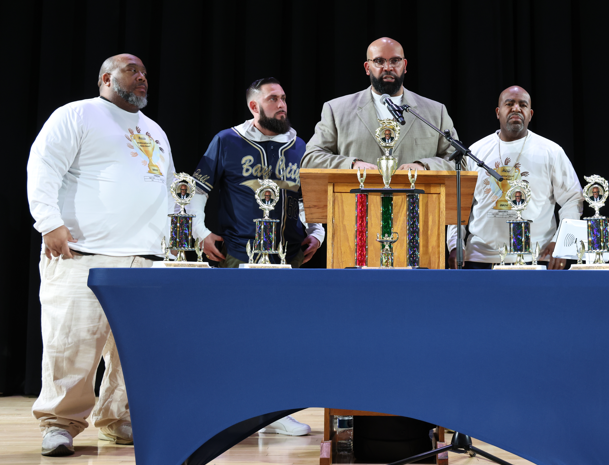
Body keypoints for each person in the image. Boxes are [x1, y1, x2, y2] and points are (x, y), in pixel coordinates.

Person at [27, 54, 177, 457]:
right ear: (107, 78)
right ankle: (60, 424)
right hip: (84, 251)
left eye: (146, 72)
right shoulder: (77, 115)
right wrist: (48, 222)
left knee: (133, 349)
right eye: (134, 71)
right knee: (71, 342)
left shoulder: (155, 130)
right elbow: (43, 167)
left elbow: (169, 189)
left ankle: (117, 420)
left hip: (145, 255)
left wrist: (190, 234)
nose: (143, 77)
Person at [189, 77, 323, 437]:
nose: (282, 104)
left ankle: (274, 412)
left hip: (290, 258)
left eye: (283, 98)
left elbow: (311, 200)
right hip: (239, 256)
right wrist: (200, 234)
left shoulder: (301, 145)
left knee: (284, 338)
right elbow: (193, 191)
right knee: (239, 336)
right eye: (273, 99)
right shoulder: (227, 140)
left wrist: (318, 232)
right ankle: (234, 411)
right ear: (254, 107)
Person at [446, 86, 581, 269]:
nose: (516, 108)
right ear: (498, 112)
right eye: (509, 104)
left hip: (536, 257)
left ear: (530, 114)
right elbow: (459, 204)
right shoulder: (476, 151)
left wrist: (561, 242)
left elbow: (573, 198)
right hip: (480, 258)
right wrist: (455, 245)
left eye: (522, 105)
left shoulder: (551, 151)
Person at [302, 38, 459, 171]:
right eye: (379, 61)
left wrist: (424, 166)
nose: (388, 68)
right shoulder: (337, 110)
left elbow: (459, 161)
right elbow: (311, 158)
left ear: (404, 65)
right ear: (367, 68)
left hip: (416, 205)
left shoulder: (435, 111)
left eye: (395, 61)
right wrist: (351, 164)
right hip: (357, 205)